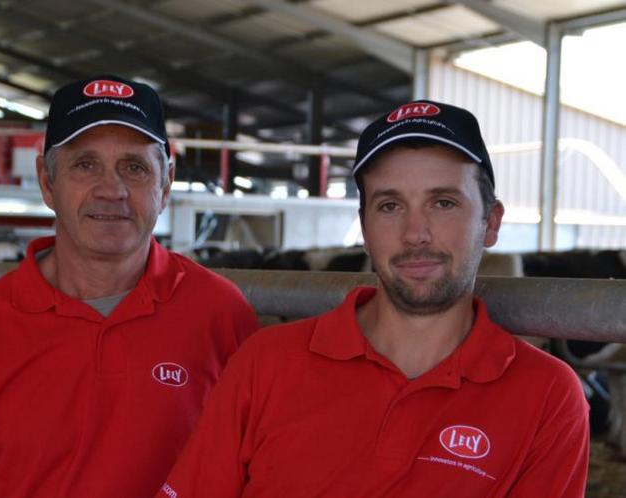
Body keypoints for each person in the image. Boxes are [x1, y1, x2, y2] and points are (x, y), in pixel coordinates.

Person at [156, 100, 589, 498]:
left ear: (490, 222)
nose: (415, 233)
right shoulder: (265, 363)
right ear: (363, 227)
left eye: (443, 202)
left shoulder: (547, 396)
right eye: (389, 206)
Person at [0, 75, 259, 498]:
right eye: (85, 165)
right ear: (48, 182)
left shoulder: (221, 315)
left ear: (166, 184)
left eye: (134, 168)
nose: (112, 190)